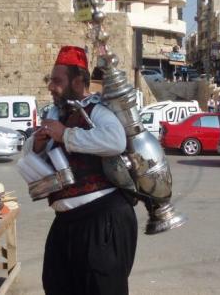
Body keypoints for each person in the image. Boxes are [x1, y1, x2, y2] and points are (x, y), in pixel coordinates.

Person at [28, 46, 137, 294]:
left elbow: (115, 141)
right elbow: (31, 153)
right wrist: (37, 144)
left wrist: (66, 135)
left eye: (57, 81)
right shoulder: (56, 114)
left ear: (78, 82)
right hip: (66, 224)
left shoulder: (97, 110)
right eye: (50, 80)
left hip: (102, 224)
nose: (50, 86)